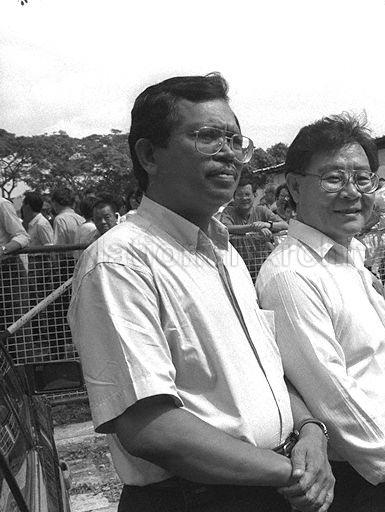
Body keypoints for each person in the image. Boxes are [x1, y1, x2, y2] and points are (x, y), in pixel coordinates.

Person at [68, 73, 333, 512]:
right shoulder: (120, 262)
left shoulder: (224, 252)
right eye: (208, 137)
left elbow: (263, 372)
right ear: (149, 155)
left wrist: (310, 431)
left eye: (235, 140)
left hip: (269, 484)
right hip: (198, 498)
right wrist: (290, 472)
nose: (229, 153)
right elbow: (151, 428)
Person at [256, 113, 385, 512]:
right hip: (359, 479)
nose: (352, 192)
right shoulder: (291, 275)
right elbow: (331, 394)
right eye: (334, 178)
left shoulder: (351, 255)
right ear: (295, 187)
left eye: (362, 178)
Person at [220, 179, 288, 238]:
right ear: (233, 197)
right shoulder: (228, 211)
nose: (244, 198)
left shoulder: (262, 210)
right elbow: (225, 228)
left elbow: (285, 225)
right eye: (239, 195)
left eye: (247, 194)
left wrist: (267, 225)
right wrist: (254, 227)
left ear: (254, 195)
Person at [1, 195, 30, 331]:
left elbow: (22, 236)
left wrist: (3, 250)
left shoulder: (2, 204)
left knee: (16, 323)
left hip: (8, 270)